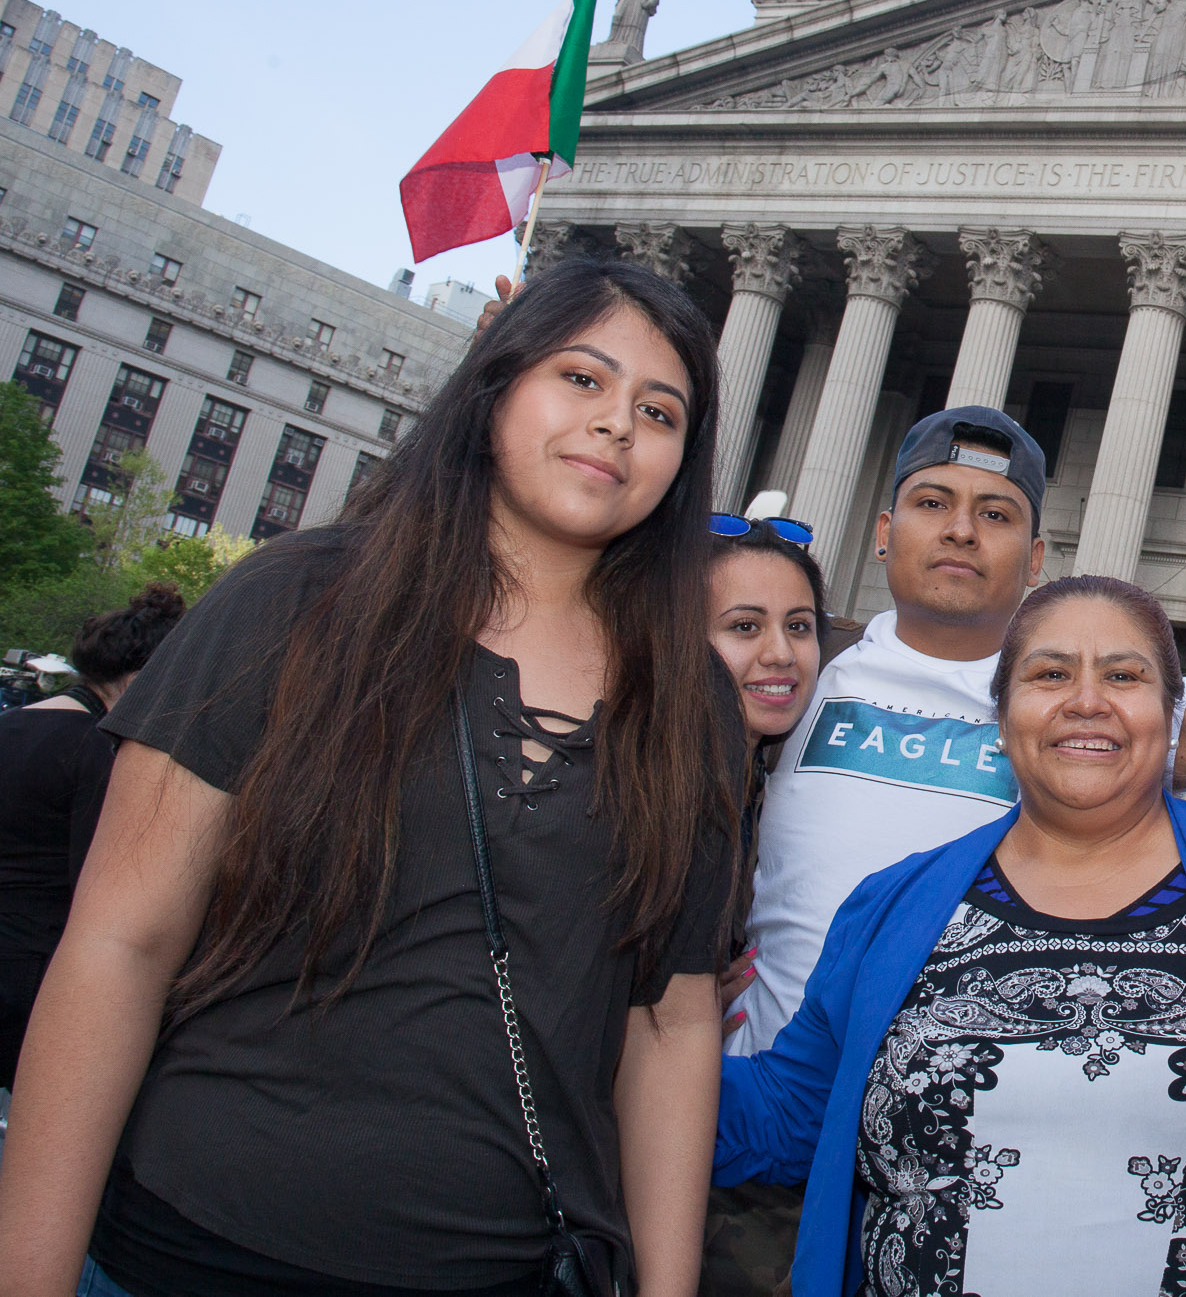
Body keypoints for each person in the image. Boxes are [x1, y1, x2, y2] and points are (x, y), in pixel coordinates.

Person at [0, 258, 743, 1297]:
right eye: (582, 378)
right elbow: (121, 944)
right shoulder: (292, 601)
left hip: (503, 1265)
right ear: (495, 387)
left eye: (659, 410)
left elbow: (670, 1020)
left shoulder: (691, 698)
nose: (618, 423)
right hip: (188, 1245)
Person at [714, 574, 1186, 1296]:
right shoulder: (890, 906)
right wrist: (640, 1036)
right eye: (1050, 674)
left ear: (1171, 715)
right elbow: (788, 1118)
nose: (1087, 700)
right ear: (1002, 712)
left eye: (1124, 675)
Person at [728, 404, 1186, 1061]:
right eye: (933, 502)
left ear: (1034, 560)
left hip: (953, 1114)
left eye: (995, 514)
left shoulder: (1091, 708)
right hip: (768, 1106)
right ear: (885, 531)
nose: (962, 530)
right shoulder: (794, 669)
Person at [700, 508, 827, 1296]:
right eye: (744, 626)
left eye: (801, 626)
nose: (781, 653)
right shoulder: (651, 787)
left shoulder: (751, 777)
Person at [0, 584, 187, 1091]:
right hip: (32, 968)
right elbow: (98, 882)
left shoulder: (11, 722)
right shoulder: (98, 750)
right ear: (138, 679)